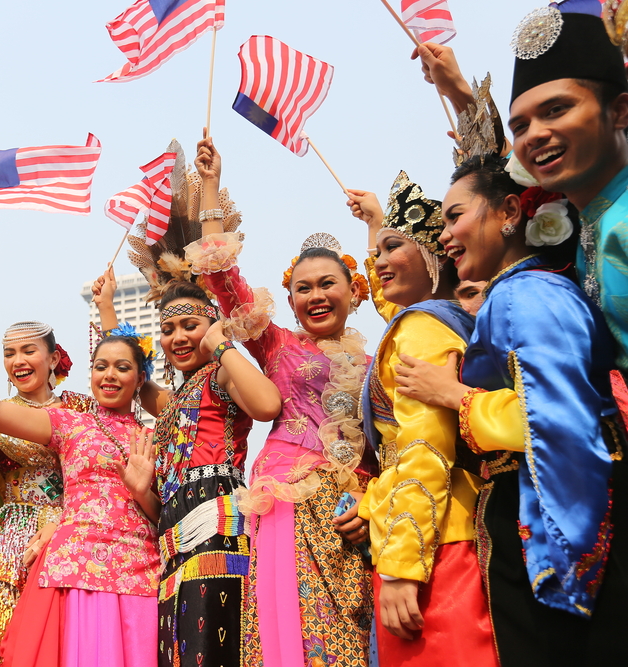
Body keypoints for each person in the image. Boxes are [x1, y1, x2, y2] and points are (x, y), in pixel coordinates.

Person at [394, 153, 628, 665]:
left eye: (455, 215)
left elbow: (562, 419)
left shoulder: (525, 294)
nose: (445, 234)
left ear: (508, 211)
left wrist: (455, 395)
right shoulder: (520, 293)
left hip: (552, 533)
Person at [182, 134, 375, 667]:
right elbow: (222, 278)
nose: (316, 296)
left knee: (352, 631)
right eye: (304, 288)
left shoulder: (375, 362)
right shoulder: (278, 346)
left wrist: (375, 499)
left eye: (328, 284)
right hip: (286, 498)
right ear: (288, 298)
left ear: (354, 290)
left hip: (351, 508)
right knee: (289, 627)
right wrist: (212, 188)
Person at [93, 139, 282, 667]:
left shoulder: (222, 369)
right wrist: (108, 311)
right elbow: (134, 377)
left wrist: (221, 342)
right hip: (172, 532)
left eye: (190, 326)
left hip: (218, 521)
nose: (178, 337)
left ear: (211, 323)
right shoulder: (176, 398)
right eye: (169, 327)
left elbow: (267, 404)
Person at [0, 285, 161, 667]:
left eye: (123, 368)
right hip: (77, 565)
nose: (109, 375)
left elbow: (161, 515)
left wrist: (142, 492)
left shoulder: (154, 437)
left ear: (140, 380)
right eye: (100, 367)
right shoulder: (70, 422)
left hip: (140, 568)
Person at [345, 173, 497, 666]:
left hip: (435, 548)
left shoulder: (420, 328)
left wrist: (401, 570)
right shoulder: (438, 319)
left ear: (434, 257)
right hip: (441, 531)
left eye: (393, 248)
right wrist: (374, 225)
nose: (380, 262)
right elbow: (389, 300)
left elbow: (423, 450)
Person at [506, 7, 628, 369]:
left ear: (621, 112)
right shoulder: (598, 220)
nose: (535, 134)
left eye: (557, 109)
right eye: (520, 127)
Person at [0, 320, 91, 667]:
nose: (17, 360)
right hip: (9, 541)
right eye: (9, 353)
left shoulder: (84, 409)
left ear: (53, 359)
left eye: (28, 350)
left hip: (71, 533)